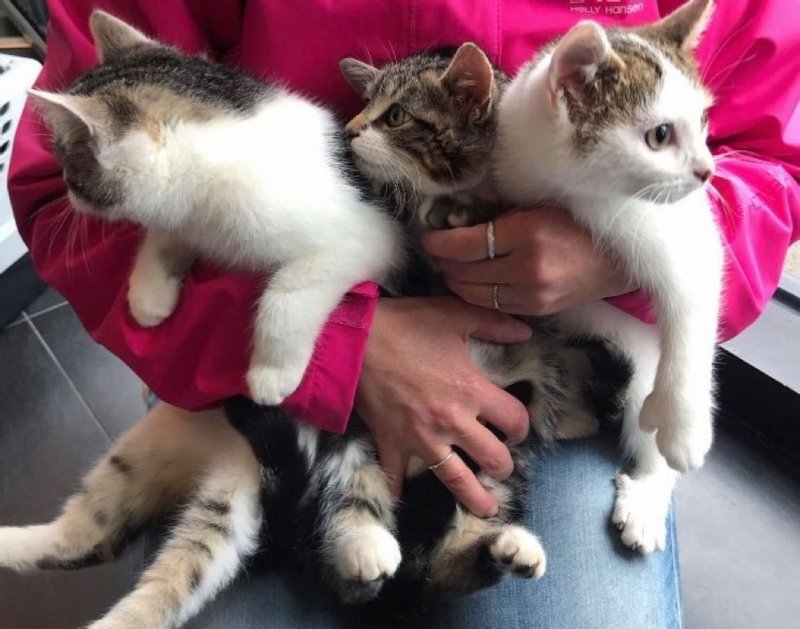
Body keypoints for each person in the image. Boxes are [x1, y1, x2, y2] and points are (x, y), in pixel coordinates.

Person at [9, 0, 799, 626]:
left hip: (548, 366)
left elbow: (766, 161)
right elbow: (62, 188)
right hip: (260, 325)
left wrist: (608, 255)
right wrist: (341, 347)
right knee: (217, 547)